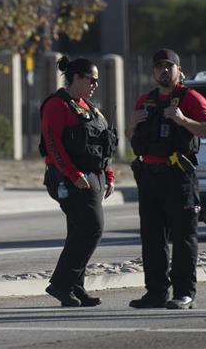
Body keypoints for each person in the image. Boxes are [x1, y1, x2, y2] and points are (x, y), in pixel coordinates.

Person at [127, 49, 206, 310]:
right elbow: (131, 135)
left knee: (183, 237)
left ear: (179, 70)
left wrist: (184, 120)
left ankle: (185, 293)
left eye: (169, 66)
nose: (164, 71)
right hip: (150, 177)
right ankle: (156, 293)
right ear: (153, 71)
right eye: (159, 67)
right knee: (152, 239)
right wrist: (131, 125)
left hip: (178, 177)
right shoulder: (146, 100)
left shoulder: (190, 98)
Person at [40, 56, 118, 307]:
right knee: (92, 228)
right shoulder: (57, 105)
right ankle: (61, 284)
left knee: (78, 232)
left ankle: (75, 287)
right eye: (91, 79)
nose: (95, 84)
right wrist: (73, 175)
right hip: (69, 179)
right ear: (76, 77)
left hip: (92, 178)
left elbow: (102, 144)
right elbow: (53, 145)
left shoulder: (88, 107)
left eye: (97, 80)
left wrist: (109, 175)